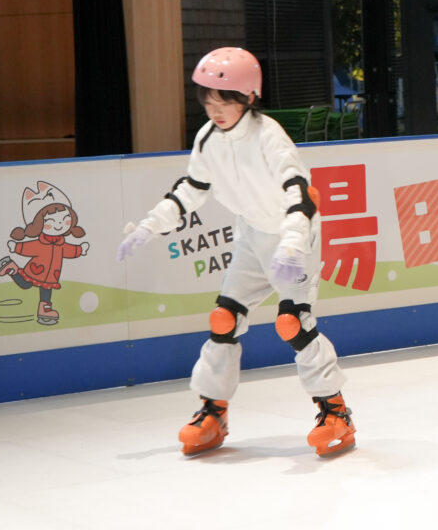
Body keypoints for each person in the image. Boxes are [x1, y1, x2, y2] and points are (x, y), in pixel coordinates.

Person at [116, 47, 355, 457]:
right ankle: (213, 411)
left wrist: (292, 244)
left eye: (224, 101)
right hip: (251, 237)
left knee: (293, 323)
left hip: (292, 238)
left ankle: (336, 413)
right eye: (208, 101)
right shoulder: (208, 138)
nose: (215, 110)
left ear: (248, 97)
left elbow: (301, 194)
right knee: (224, 319)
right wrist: (150, 226)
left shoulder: (269, 137)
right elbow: (192, 189)